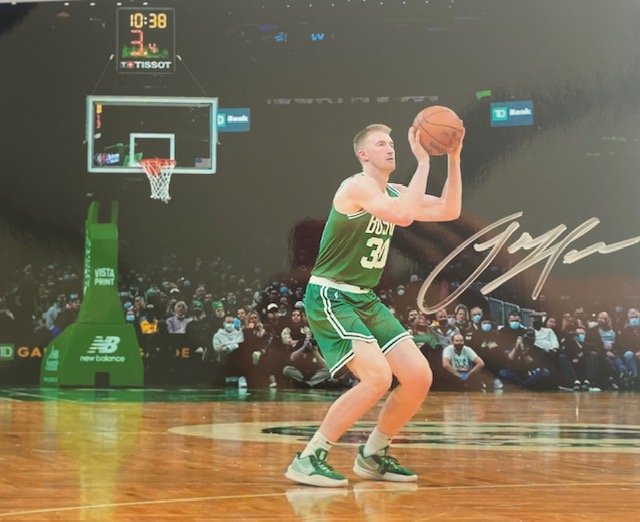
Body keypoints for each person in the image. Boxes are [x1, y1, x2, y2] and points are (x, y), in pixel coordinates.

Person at [285, 121, 464, 487]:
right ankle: (309, 457)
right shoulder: (356, 186)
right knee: (378, 378)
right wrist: (424, 162)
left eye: (391, 142)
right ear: (363, 154)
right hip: (331, 295)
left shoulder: (397, 192)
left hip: (364, 297)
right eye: (381, 143)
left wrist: (454, 157)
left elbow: (450, 209)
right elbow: (402, 215)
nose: (390, 147)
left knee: (418, 376)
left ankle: (373, 454)